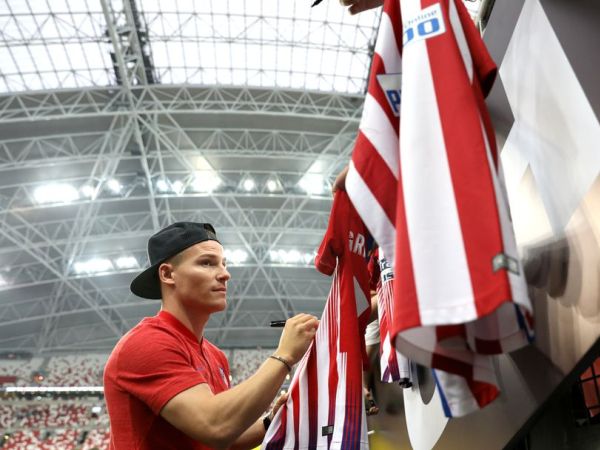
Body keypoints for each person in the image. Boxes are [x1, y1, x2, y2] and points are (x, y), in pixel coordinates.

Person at [104, 222, 319, 449]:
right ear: (167, 274)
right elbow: (215, 426)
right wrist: (284, 355)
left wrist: (270, 421)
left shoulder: (215, 356)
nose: (225, 274)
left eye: (223, 265)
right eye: (207, 263)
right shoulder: (146, 343)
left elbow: (224, 439)